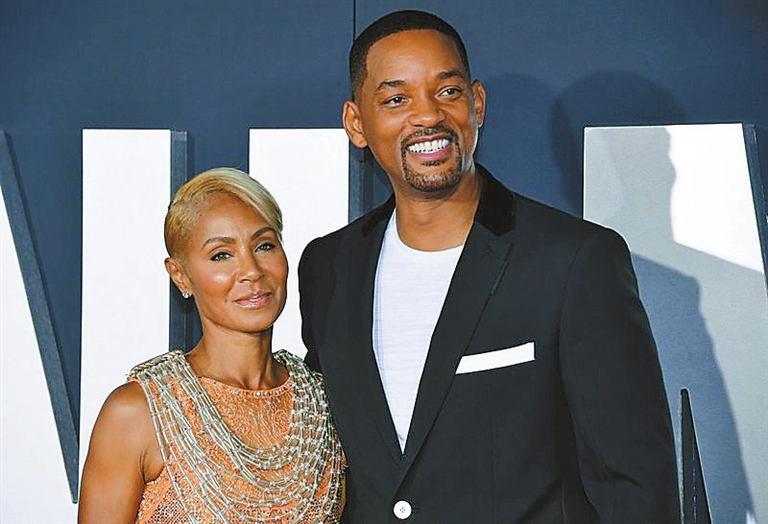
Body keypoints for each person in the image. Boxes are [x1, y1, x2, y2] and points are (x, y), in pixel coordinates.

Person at [298, 10, 679, 523]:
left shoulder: (573, 261)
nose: (428, 115)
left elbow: (634, 487)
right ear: (356, 124)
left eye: (448, 91)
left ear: (476, 103)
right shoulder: (328, 267)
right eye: (396, 99)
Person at [79, 168, 345, 523]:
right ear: (180, 275)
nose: (251, 270)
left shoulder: (327, 404)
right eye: (221, 254)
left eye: (264, 245)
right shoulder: (138, 413)